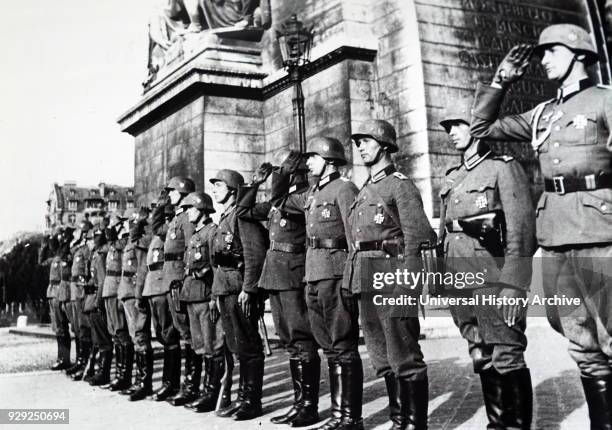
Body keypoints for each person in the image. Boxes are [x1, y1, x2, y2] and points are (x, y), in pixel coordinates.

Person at [470, 23, 612, 428]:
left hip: (600, 232)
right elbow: (482, 130)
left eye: (551, 51)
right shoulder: (543, 113)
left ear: (579, 54)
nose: (543, 60)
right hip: (555, 234)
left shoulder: (604, 102)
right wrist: (501, 81)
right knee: (581, 344)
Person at [439, 109, 536, 428]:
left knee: (506, 352)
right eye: (449, 127)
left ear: (479, 128)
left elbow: (521, 232)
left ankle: (516, 426)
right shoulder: (453, 176)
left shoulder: (503, 168)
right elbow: (445, 232)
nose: (452, 131)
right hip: (459, 275)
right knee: (479, 350)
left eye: (458, 124)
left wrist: (515, 283)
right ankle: (498, 423)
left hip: (492, 275)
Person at [345, 120, 436, 430]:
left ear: (383, 144)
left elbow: (417, 239)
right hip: (366, 281)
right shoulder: (365, 190)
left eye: (366, 141)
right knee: (382, 357)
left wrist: (409, 286)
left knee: (404, 354)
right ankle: (399, 420)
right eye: (357, 142)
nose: (360, 147)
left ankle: (413, 424)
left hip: (392, 279)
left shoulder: (400, 185)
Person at [281, 137, 362, 430]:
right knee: (328, 345)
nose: (308, 162)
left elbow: (355, 238)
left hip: (336, 273)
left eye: (313, 157)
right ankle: (338, 415)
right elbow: (280, 199)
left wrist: (352, 279)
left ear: (329, 159)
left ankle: (350, 418)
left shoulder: (344, 188)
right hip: (313, 273)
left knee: (342, 343)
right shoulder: (314, 193)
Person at [236, 151, 320, 427]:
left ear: (295, 170)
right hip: (275, 274)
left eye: (283, 168)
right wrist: (256, 182)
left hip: (294, 274)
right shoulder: (278, 201)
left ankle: (308, 406)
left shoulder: (304, 196)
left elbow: (284, 200)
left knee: (301, 337)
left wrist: (280, 176)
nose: (277, 172)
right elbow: (244, 212)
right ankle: (299, 403)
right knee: (288, 339)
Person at [210, 169, 267, 421]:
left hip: (240, 288)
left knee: (249, 345)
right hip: (226, 288)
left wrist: (249, 288)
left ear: (233, 190)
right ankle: (243, 398)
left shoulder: (241, 216)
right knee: (237, 346)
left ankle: (252, 402)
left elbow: (255, 254)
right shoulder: (224, 218)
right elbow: (217, 262)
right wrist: (215, 294)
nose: (214, 189)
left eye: (219, 185)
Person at [180, 191, 230, 413]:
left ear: (201, 209)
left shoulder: (212, 233)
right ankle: (204, 390)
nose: (187, 212)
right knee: (200, 346)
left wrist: (213, 297)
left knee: (213, 346)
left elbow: (216, 267)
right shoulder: (194, 235)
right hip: (192, 295)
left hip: (206, 296)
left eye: (190, 208)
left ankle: (212, 393)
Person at [163, 176, 201, 407]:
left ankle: (191, 386)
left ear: (183, 192)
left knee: (188, 333)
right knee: (180, 331)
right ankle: (181, 385)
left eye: (172, 191)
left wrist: (185, 279)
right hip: (171, 280)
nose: (168, 195)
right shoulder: (176, 218)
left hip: (179, 280)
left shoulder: (187, 218)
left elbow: (191, 247)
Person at [146, 197, 182, 401]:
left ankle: (171, 383)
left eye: (168, 216)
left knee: (169, 335)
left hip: (164, 285)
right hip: (155, 286)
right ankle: (168, 382)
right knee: (162, 334)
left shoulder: (170, 232)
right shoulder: (162, 233)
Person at [118, 207, 154, 401]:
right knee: (134, 336)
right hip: (127, 293)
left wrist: (140, 295)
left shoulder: (140, 243)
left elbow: (141, 269)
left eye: (127, 221)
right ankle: (139, 381)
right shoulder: (130, 242)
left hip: (134, 293)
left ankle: (144, 384)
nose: (125, 224)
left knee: (140, 336)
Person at [101, 212, 134, 392]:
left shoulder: (126, 241)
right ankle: (120, 375)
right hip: (110, 289)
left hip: (117, 290)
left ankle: (124, 376)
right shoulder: (115, 243)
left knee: (122, 332)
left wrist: (115, 229)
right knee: (114, 332)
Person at [66, 220, 94, 381]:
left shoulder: (87, 250)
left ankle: (86, 362)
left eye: (84, 232)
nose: (82, 235)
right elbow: (69, 253)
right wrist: (76, 240)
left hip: (83, 290)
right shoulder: (79, 248)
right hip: (75, 290)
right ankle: (81, 360)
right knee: (77, 327)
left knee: (84, 327)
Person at [86, 222, 114, 386]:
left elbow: (103, 281)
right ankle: (100, 371)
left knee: (103, 339)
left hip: (99, 299)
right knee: (99, 338)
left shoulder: (101, 255)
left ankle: (104, 373)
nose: (89, 242)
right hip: (95, 296)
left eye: (91, 238)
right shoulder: (96, 255)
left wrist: (98, 302)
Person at [41, 226, 71, 371]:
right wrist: (44, 244)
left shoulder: (64, 254)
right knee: (58, 329)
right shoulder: (54, 258)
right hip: (52, 292)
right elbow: (41, 262)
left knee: (62, 328)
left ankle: (65, 359)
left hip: (60, 292)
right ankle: (61, 358)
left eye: (56, 237)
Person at [56, 226, 76, 371]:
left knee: (77, 328)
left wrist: (68, 239)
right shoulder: (64, 250)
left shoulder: (73, 251)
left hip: (71, 293)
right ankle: (63, 358)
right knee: (61, 328)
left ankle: (82, 360)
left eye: (64, 236)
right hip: (63, 293)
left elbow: (65, 255)